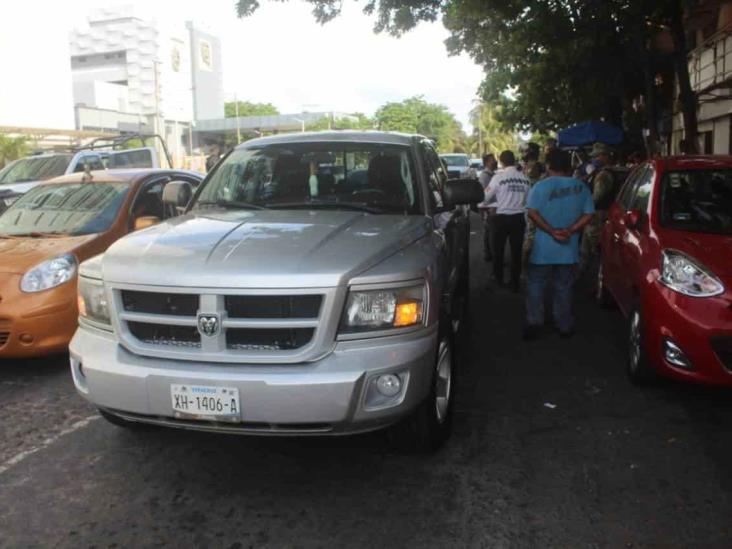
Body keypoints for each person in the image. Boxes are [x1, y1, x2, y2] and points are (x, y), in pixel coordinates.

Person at [524, 148, 595, 340]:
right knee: (563, 286)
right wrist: (570, 230)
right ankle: (563, 324)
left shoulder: (540, 186)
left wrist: (551, 231)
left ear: (548, 166)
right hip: (568, 249)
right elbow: (589, 213)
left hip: (542, 249)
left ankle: (535, 322)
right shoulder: (582, 187)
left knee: (536, 285)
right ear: (569, 166)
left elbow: (532, 212)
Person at [485, 150, 531, 292]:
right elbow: (529, 201)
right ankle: (514, 283)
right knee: (516, 252)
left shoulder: (498, 177)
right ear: (514, 160)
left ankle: (498, 280)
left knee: (498, 251)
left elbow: (485, 197)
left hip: (500, 218)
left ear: (501, 161)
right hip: (518, 218)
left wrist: (492, 205)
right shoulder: (525, 178)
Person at [580, 142, 615, 277]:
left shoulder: (604, 175)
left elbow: (597, 196)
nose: (595, 159)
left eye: (598, 156)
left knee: (596, 250)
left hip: (599, 216)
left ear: (605, 156)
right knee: (586, 249)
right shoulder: (599, 173)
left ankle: (598, 280)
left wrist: (583, 207)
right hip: (594, 215)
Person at [478, 153, 498, 261]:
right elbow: (483, 194)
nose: (495, 162)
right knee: (489, 232)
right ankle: (488, 253)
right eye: (492, 160)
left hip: (493, 208)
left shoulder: (493, 175)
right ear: (486, 163)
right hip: (488, 208)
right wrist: (483, 210)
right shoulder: (485, 176)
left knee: (490, 232)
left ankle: (490, 253)